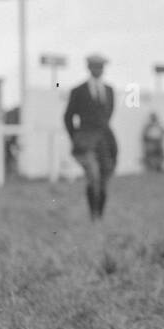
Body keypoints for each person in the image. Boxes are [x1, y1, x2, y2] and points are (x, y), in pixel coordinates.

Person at [63, 52, 118, 219]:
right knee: (93, 176)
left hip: (106, 141)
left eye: (101, 67)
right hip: (85, 141)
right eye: (95, 66)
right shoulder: (78, 90)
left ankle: (99, 215)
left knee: (104, 177)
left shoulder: (109, 90)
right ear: (88, 68)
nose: (98, 70)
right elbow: (68, 117)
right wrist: (76, 137)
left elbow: (108, 115)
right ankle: (93, 214)